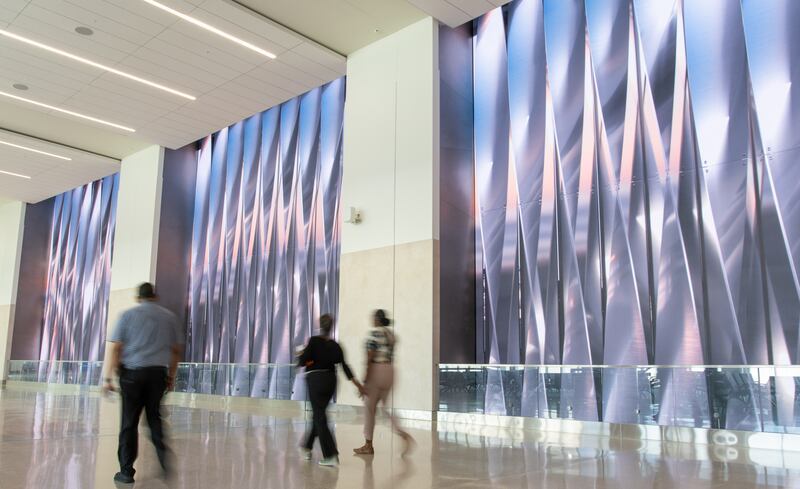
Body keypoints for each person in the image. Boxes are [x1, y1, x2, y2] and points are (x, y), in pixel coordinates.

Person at [102, 282, 183, 485]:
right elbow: (175, 351)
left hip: (132, 375)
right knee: (154, 418)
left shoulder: (127, 315)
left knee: (129, 422)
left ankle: (126, 472)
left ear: (138, 297)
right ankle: (164, 460)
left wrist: (108, 378)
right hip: (157, 375)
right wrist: (171, 377)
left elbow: (117, 348)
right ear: (154, 296)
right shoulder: (169, 317)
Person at [298, 314, 365, 467]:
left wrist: (302, 356)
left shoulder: (314, 341)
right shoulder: (335, 345)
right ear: (331, 326)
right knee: (319, 413)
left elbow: (303, 361)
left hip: (316, 380)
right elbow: (345, 367)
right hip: (330, 381)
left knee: (320, 415)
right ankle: (307, 447)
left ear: (320, 325)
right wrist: (358, 385)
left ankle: (330, 455)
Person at [353, 309, 413, 456]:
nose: (372, 320)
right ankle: (403, 434)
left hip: (377, 371)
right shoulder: (391, 335)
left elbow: (370, 357)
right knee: (386, 408)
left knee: (369, 409)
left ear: (377, 320)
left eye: (373, 318)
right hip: (390, 371)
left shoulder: (374, 334)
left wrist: (365, 380)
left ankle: (368, 445)